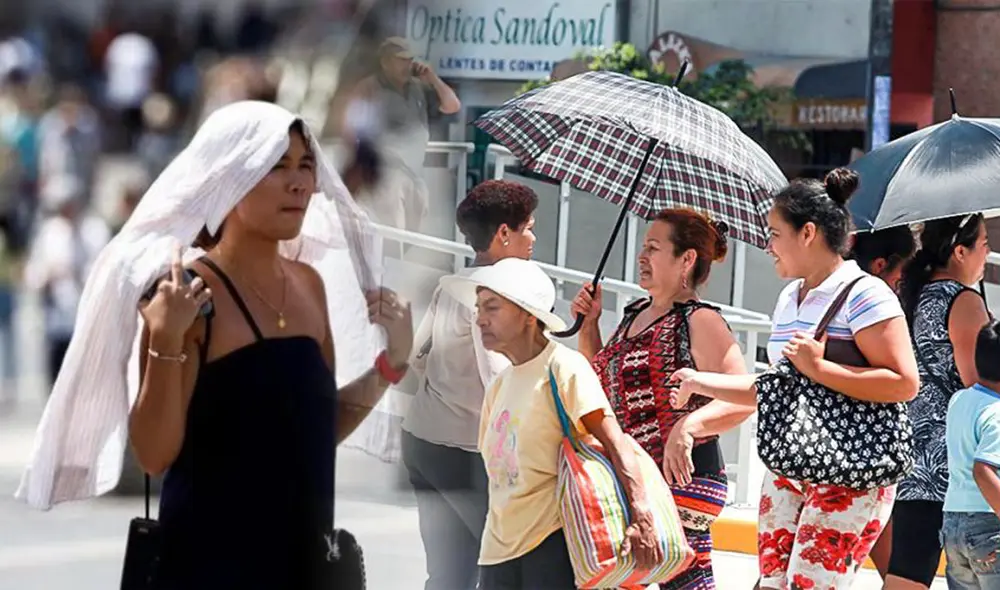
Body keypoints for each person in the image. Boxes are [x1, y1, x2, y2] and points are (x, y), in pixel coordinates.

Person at [16, 103, 411, 590]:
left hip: (301, 567)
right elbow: (156, 454)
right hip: (209, 568)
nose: (300, 184)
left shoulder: (310, 285)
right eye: (276, 167)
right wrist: (164, 337)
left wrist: (390, 365)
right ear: (229, 179)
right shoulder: (187, 295)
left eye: (305, 166)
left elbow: (314, 429)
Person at [669, 168, 919, 589]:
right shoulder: (789, 298)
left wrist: (821, 368)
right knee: (770, 584)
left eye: (774, 234)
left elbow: (903, 382)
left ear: (808, 233)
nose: (768, 247)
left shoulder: (866, 294)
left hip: (852, 471)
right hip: (790, 465)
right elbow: (778, 387)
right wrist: (699, 382)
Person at [441, 258, 662, 589]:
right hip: (496, 551)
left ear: (529, 315)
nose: (480, 318)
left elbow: (615, 442)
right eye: (478, 308)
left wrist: (641, 514)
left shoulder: (563, 367)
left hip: (550, 547)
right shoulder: (500, 385)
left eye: (492, 307)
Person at [570, 208, 753, 588]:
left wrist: (687, 426)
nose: (642, 257)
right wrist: (588, 326)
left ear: (686, 259)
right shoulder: (635, 313)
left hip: (683, 476)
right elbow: (602, 383)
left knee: (680, 578)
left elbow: (745, 396)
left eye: (653, 248)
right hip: (636, 473)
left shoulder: (699, 320)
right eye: (643, 247)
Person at [402, 179, 538, 590]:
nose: (533, 238)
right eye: (529, 227)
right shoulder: (495, 293)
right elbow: (499, 378)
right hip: (465, 455)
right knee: (501, 569)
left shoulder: (452, 284)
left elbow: (417, 358)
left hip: (424, 442)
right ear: (504, 234)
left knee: (448, 574)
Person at [880, 213, 993, 588]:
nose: (988, 251)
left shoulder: (910, 294)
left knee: (907, 573)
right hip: (955, 464)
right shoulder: (962, 302)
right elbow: (981, 383)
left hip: (912, 457)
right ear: (960, 251)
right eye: (983, 244)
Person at [335, 37, 461, 235]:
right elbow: (350, 128)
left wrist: (433, 78)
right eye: (401, 59)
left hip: (415, 172)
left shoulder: (418, 86)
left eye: (409, 59)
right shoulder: (370, 87)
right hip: (387, 172)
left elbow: (452, 105)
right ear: (385, 62)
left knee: (416, 233)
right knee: (393, 232)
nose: (407, 65)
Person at [23, 175, 110, 388]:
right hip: (57, 316)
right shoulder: (48, 233)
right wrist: (47, 275)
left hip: (86, 312)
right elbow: (34, 271)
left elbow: (104, 267)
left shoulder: (95, 230)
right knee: (57, 374)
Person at [941, 319, 1000, 588]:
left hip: (952, 521)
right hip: (989, 524)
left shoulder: (959, 400)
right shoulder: (997, 412)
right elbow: (983, 470)